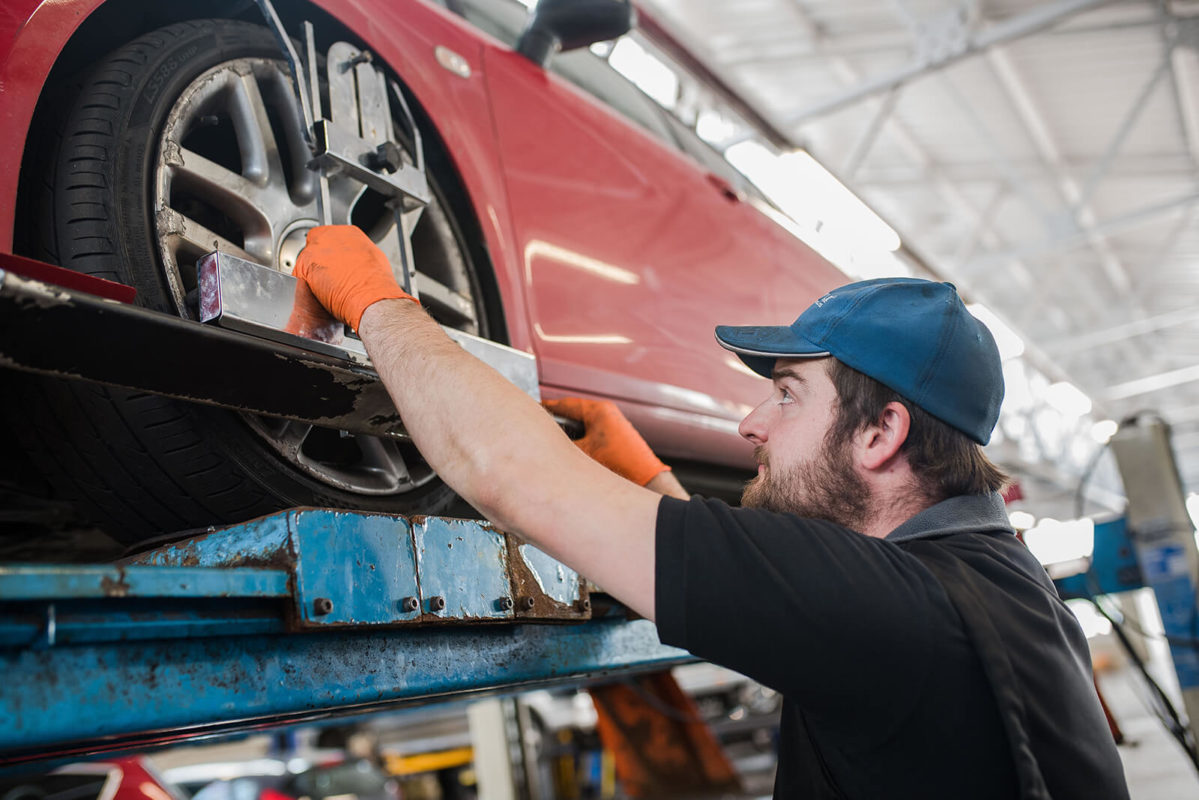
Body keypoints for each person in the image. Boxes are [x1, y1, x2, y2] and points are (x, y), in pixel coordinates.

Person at [294, 226, 1130, 799]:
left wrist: (374, 304)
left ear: (881, 432)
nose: (749, 424)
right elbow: (781, 593)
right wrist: (650, 482)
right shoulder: (986, 577)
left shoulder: (896, 609)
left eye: (786, 395)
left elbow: (509, 475)